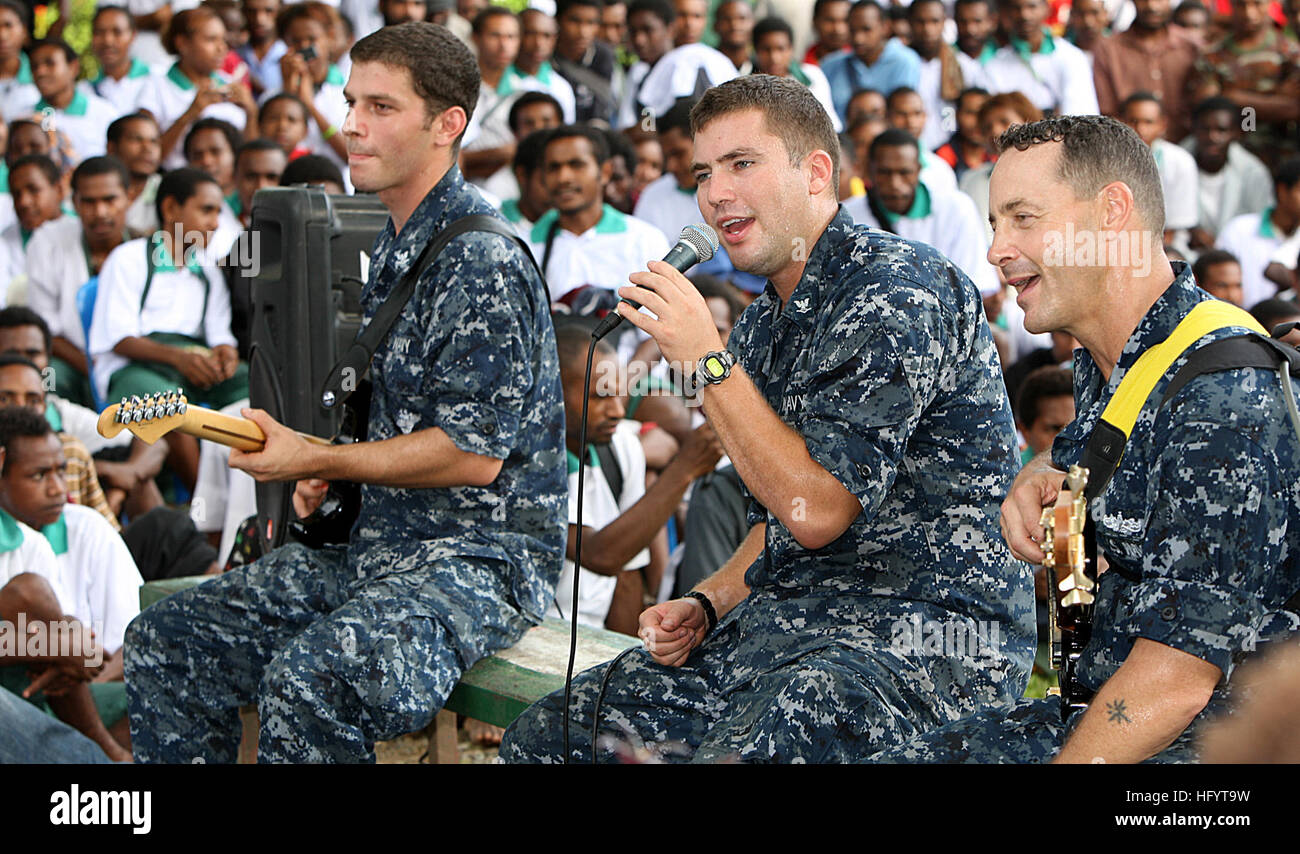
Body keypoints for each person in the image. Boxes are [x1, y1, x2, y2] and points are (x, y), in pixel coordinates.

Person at [501, 74, 1033, 764]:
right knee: (553, 737)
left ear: (816, 173)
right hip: (790, 628)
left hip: (920, 639)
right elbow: (777, 520)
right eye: (702, 173)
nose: (715, 193)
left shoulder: (898, 289)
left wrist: (708, 362)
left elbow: (817, 509)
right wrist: (709, 602)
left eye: (741, 164)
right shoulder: (758, 328)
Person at [124, 21, 567, 764]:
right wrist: (335, 472)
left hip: (477, 564)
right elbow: (405, 423)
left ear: (447, 125)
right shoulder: (402, 237)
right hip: (379, 545)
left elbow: (471, 455)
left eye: (381, 108)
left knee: (309, 684)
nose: (351, 125)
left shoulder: (479, 257)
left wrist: (320, 457)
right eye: (350, 101)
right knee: (167, 641)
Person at [868, 115, 1300, 764]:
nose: (995, 250)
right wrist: (1037, 470)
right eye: (993, 223)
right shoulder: (1115, 357)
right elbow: (1091, 447)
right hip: (1101, 711)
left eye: (1022, 218)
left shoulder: (1222, 391)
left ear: (1113, 213)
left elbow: (1178, 681)